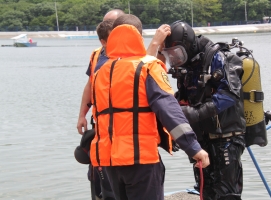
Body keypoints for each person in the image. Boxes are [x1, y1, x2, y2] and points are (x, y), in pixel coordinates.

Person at [89, 14, 209, 200]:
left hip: (109, 161)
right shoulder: (147, 67)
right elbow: (169, 110)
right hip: (140, 160)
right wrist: (193, 147)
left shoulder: (100, 72)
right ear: (139, 35)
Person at [161, 21, 246, 200]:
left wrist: (195, 113)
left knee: (227, 194)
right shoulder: (186, 67)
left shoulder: (219, 57)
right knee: (205, 191)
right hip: (201, 138)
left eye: (177, 53)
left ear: (189, 45)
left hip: (226, 136)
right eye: (171, 54)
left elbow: (230, 94)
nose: (175, 59)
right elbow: (182, 98)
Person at [76, 9, 125, 200]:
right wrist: (82, 115)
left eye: (113, 26)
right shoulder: (97, 54)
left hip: (124, 125)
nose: (108, 29)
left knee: (122, 174)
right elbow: (90, 85)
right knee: (97, 173)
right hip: (100, 123)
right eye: (106, 25)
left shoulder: (133, 54)